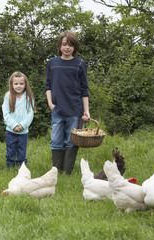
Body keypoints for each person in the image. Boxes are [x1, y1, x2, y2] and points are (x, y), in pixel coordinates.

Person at [45, 30, 91, 175]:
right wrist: (50, 104)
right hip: (57, 109)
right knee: (56, 140)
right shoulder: (52, 63)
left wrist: (86, 111)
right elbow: (48, 86)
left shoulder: (79, 64)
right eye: (64, 44)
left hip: (75, 110)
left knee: (71, 141)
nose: (67, 48)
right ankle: (56, 171)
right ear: (59, 46)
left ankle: (67, 172)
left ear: (74, 47)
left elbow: (84, 89)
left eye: (70, 45)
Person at [2, 72, 35, 168]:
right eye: (16, 84)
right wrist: (14, 125)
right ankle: (10, 166)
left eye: (21, 84)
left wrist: (22, 125)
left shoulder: (29, 97)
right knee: (11, 150)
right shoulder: (8, 96)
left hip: (23, 131)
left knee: (21, 151)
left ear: (25, 84)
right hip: (10, 131)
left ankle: (21, 167)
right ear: (12, 85)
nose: (18, 86)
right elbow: (6, 113)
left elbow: (30, 113)